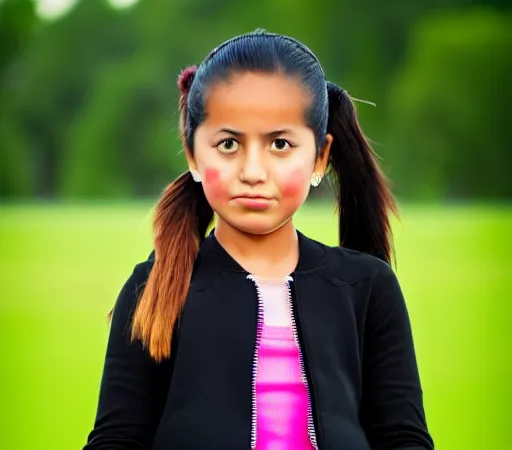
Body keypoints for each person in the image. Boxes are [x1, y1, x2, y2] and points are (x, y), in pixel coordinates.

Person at [83, 30, 434, 450]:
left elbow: (403, 438)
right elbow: (116, 439)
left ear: (320, 157)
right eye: (228, 144)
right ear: (193, 154)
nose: (253, 170)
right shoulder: (154, 290)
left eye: (280, 144)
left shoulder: (367, 288)